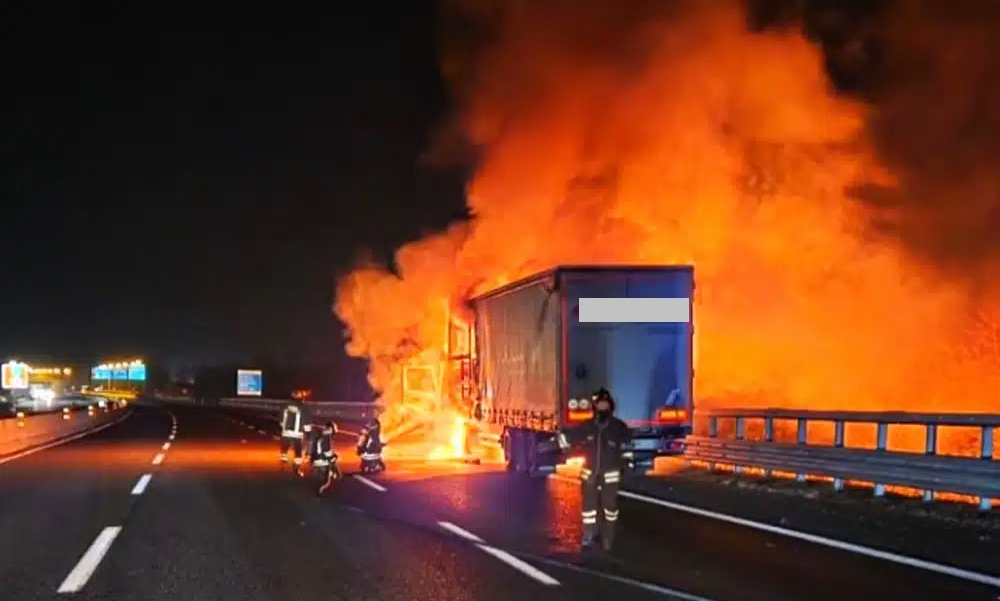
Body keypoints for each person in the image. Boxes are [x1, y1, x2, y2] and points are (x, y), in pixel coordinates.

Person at [556, 387, 632, 552]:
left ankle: (609, 538)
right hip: (589, 475)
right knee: (588, 508)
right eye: (599, 405)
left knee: (610, 507)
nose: (602, 408)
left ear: (610, 406)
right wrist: (562, 438)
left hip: (610, 476)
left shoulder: (618, 427)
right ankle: (589, 535)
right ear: (594, 406)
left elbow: (627, 447)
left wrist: (626, 463)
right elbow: (570, 439)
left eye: (605, 404)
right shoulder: (587, 426)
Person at [279, 398, 312, 474]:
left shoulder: (285, 407)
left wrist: (284, 428)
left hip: (286, 433)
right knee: (298, 452)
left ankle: (283, 462)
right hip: (298, 434)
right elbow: (306, 422)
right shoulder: (303, 408)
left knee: (284, 448)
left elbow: (281, 421)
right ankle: (297, 469)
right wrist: (308, 433)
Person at [313, 421, 341, 494]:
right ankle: (319, 491)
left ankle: (331, 474)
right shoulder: (326, 437)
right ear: (331, 429)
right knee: (327, 482)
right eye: (334, 428)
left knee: (333, 469)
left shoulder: (321, 435)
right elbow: (326, 452)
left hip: (317, 461)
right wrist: (333, 457)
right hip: (322, 461)